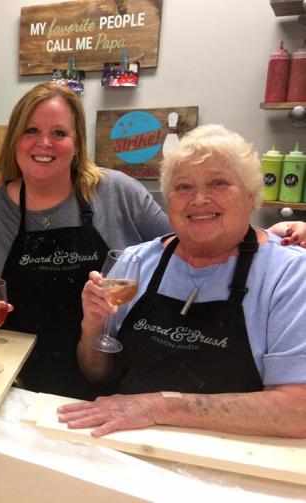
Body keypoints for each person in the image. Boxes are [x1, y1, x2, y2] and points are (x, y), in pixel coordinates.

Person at [0, 82, 306, 401]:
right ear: (15, 139)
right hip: (18, 380)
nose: (44, 143)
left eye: (59, 132)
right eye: (31, 131)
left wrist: (263, 239)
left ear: (77, 145)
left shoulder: (115, 191)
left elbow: (191, 234)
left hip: (103, 385)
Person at [61, 125, 306, 438]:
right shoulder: (135, 262)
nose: (199, 199)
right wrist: (93, 327)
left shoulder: (289, 275)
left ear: (251, 197)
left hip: (233, 459)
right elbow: (97, 374)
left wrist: (159, 407)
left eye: (218, 183)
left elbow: (297, 410)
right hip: (128, 448)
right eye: (184, 187)